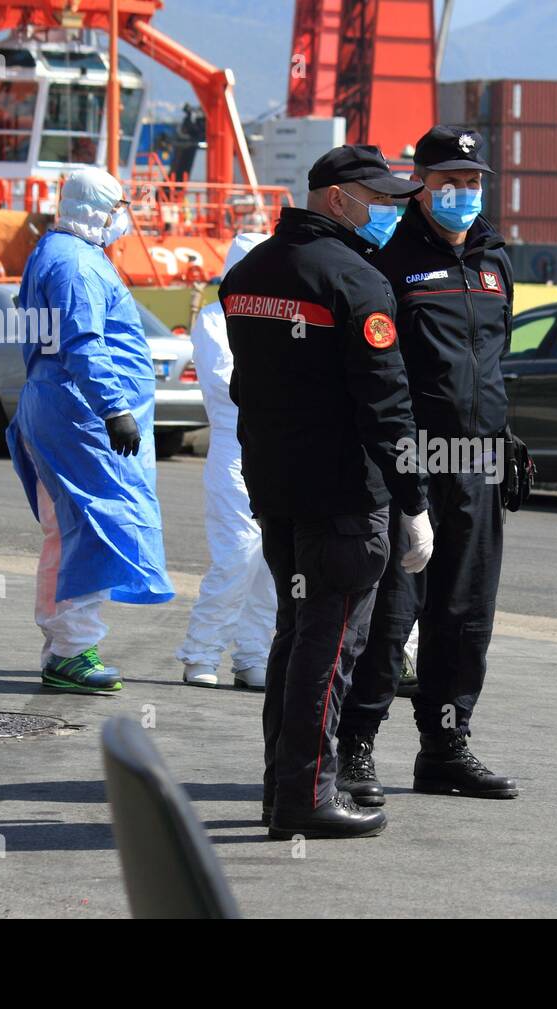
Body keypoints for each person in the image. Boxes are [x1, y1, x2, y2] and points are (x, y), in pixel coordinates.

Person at [221, 145, 433, 839]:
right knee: (330, 646)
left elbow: (243, 388)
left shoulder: (247, 274)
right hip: (344, 495)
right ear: (338, 199)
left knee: (296, 634)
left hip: (276, 486)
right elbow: (388, 406)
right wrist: (414, 501)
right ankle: (308, 794)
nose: (392, 213)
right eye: (382, 201)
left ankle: (280, 790)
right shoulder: (357, 282)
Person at [336, 125, 520, 804]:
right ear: (420, 182)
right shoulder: (390, 259)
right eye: (448, 181)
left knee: (466, 613)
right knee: (392, 614)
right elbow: (375, 372)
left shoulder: (495, 261)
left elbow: (493, 364)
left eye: (472, 181)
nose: (462, 193)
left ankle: (445, 746)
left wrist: (509, 437)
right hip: (410, 462)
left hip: (478, 462)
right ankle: (354, 747)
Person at [8, 167, 174, 693]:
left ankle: (63, 644)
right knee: (99, 527)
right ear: (99, 209)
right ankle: (72, 649)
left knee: (69, 530)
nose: (124, 217)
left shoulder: (53, 253)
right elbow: (83, 343)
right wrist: (114, 409)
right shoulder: (78, 265)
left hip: (57, 404)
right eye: (120, 206)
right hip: (80, 413)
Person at [174, 233, 276, 689]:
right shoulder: (215, 320)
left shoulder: (285, 318)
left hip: (279, 453)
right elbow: (224, 385)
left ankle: (253, 657)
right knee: (237, 555)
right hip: (235, 453)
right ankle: (201, 652)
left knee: (274, 561)